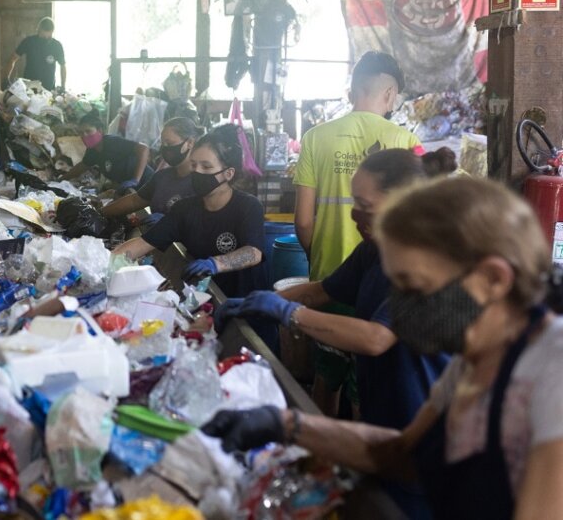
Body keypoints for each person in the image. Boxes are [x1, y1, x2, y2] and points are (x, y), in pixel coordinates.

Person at [201, 177, 563, 520]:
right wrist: (285, 424)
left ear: (493, 279)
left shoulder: (552, 369)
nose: (400, 310)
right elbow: (403, 454)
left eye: (414, 288)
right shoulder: (476, 358)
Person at [215, 149, 448, 518]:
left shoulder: (427, 260)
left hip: (421, 421)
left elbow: (376, 338)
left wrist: (291, 314)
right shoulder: (374, 248)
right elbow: (323, 290)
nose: (355, 213)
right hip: (384, 425)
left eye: (363, 203)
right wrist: (258, 301)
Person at [293, 50, 422, 416]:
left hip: (330, 277)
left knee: (326, 374)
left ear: (353, 91)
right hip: (383, 282)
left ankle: (322, 458)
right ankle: (359, 457)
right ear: (390, 94)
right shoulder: (405, 140)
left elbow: (303, 220)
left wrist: (318, 256)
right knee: (367, 384)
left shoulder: (316, 137)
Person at [112, 125, 275, 352]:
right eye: (194, 165)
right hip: (208, 305)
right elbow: (143, 243)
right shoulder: (184, 209)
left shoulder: (248, 207)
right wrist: (106, 262)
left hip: (247, 307)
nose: (197, 172)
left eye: (206, 167)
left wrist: (215, 263)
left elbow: (253, 252)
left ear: (228, 173)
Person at [100, 117, 199, 225]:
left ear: (190, 142)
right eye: (163, 143)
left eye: (169, 143)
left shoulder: (201, 183)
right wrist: (100, 213)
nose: (165, 148)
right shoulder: (162, 177)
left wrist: (170, 224)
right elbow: (135, 201)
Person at [61, 112, 153, 191]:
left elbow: (143, 149)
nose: (84, 136)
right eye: (81, 133)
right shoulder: (92, 151)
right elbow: (81, 167)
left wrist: (135, 180)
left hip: (147, 182)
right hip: (130, 188)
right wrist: (60, 180)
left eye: (88, 131)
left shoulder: (112, 142)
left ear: (100, 131)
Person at [6, 17, 66, 90]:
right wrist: (6, 78)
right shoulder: (29, 42)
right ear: (39, 30)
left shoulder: (57, 45)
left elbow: (63, 66)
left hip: (48, 89)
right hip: (29, 87)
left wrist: (63, 86)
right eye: (43, 35)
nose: (46, 37)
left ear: (52, 32)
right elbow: (13, 58)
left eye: (49, 35)